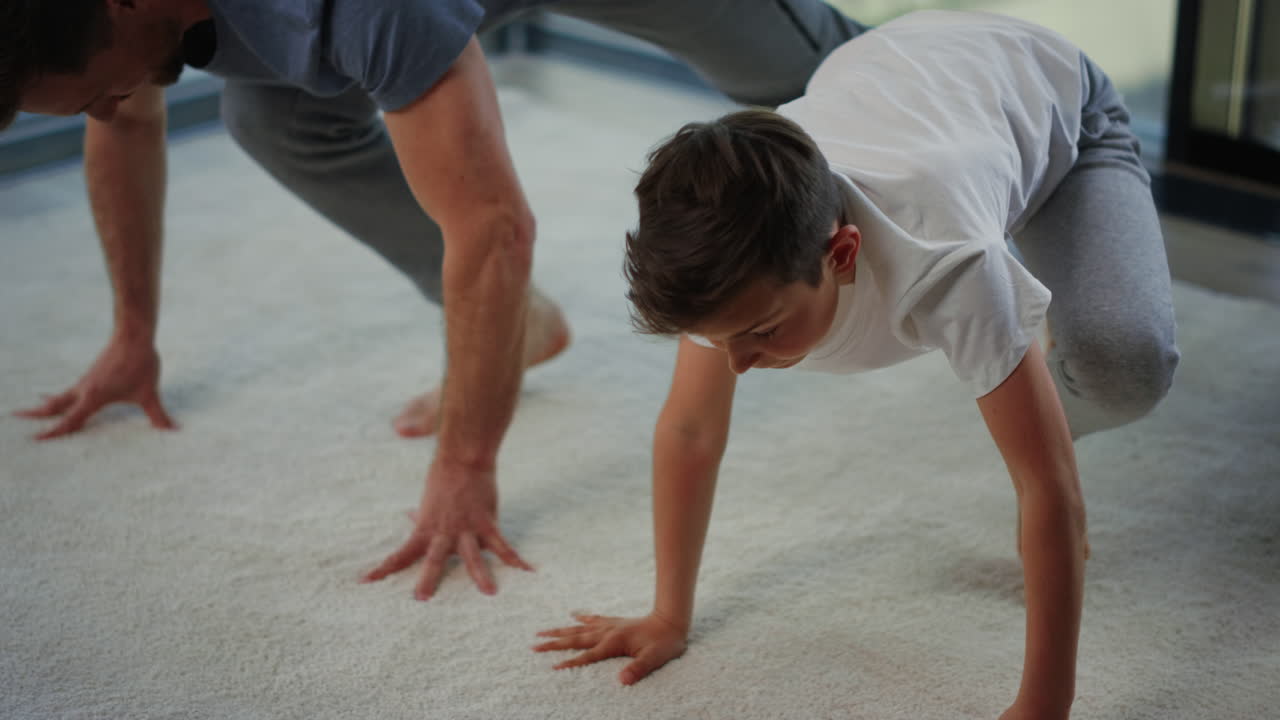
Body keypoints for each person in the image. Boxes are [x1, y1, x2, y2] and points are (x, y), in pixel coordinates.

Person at [2, 0, 869, 600]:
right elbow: (127, 117)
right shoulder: (119, 30)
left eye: (95, 92)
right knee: (274, 118)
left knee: (833, 78)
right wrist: (133, 332)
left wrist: (465, 465)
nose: (104, 110)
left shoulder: (357, 9)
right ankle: (517, 326)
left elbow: (495, 227)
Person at [532, 11, 1180, 719]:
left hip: (1057, 106)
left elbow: (1047, 489)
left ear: (841, 255)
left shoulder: (948, 264)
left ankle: (1052, 391)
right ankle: (1026, 375)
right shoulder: (731, 252)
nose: (737, 364)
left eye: (761, 333)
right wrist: (668, 616)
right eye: (722, 340)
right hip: (901, 69)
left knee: (1124, 366)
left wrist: (1042, 708)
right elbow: (690, 432)